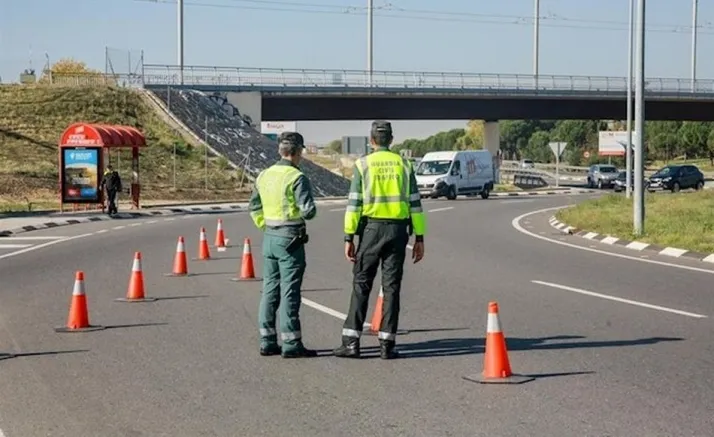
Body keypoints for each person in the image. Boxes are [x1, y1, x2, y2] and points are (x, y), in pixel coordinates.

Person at [333, 120, 426, 360]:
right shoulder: (404, 164)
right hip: (398, 231)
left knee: (361, 284)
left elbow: (354, 203)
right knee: (392, 287)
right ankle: (387, 344)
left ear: (371, 140)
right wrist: (419, 237)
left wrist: (348, 237)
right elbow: (415, 203)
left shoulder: (363, 165)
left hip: (371, 230)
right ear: (391, 140)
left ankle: (351, 343)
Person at [249, 132, 319, 359]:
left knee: (269, 290)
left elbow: (254, 207)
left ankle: (267, 341)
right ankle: (291, 343)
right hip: (290, 239)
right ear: (298, 151)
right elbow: (308, 212)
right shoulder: (297, 177)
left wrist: (265, 226)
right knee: (289, 292)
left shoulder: (264, 175)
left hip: (270, 237)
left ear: (280, 150)